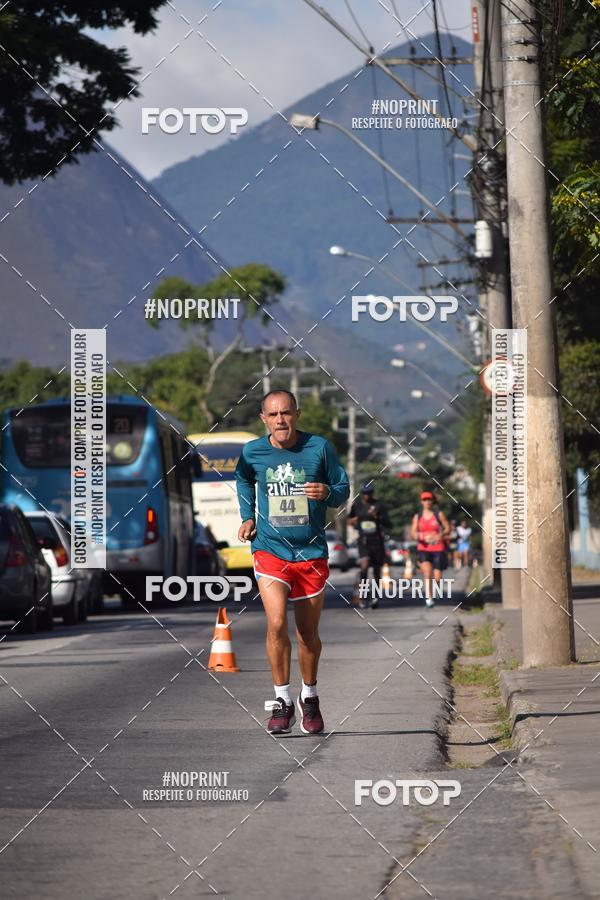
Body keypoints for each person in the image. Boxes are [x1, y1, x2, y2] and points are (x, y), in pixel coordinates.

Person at [235, 390, 349, 736]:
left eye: (286, 413)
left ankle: (309, 696)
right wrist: (247, 516)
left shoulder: (319, 448)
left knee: (307, 634)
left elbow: (342, 488)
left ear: (297, 414)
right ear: (263, 419)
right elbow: (243, 478)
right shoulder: (252, 452)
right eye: (273, 415)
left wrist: (326, 493)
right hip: (270, 551)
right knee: (276, 623)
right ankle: (282, 700)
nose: (280, 420)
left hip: (310, 553)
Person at [347, 482, 390, 609]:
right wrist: (354, 520)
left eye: (369, 493)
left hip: (377, 541)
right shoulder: (357, 505)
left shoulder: (379, 505)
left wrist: (378, 516)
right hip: (364, 541)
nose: (367, 495)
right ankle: (363, 595)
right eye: (365, 493)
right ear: (362, 494)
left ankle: (375, 596)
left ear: (373, 493)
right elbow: (349, 520)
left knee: (376, 570)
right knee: (364, 568)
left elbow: (388, 523)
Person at [410, 491, 450, 607]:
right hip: (424, 548)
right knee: (427, 573)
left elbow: (447, 528)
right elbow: (413, 533)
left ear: (432, 501)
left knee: (437, 578)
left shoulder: (438, 515)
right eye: (424, 500)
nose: (427, 502)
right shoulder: (418, 516)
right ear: (421, 502)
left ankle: (433, 591)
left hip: (438, 548)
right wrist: (421, 536)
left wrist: (439, 535)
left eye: (429, 499)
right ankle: (429, 598)